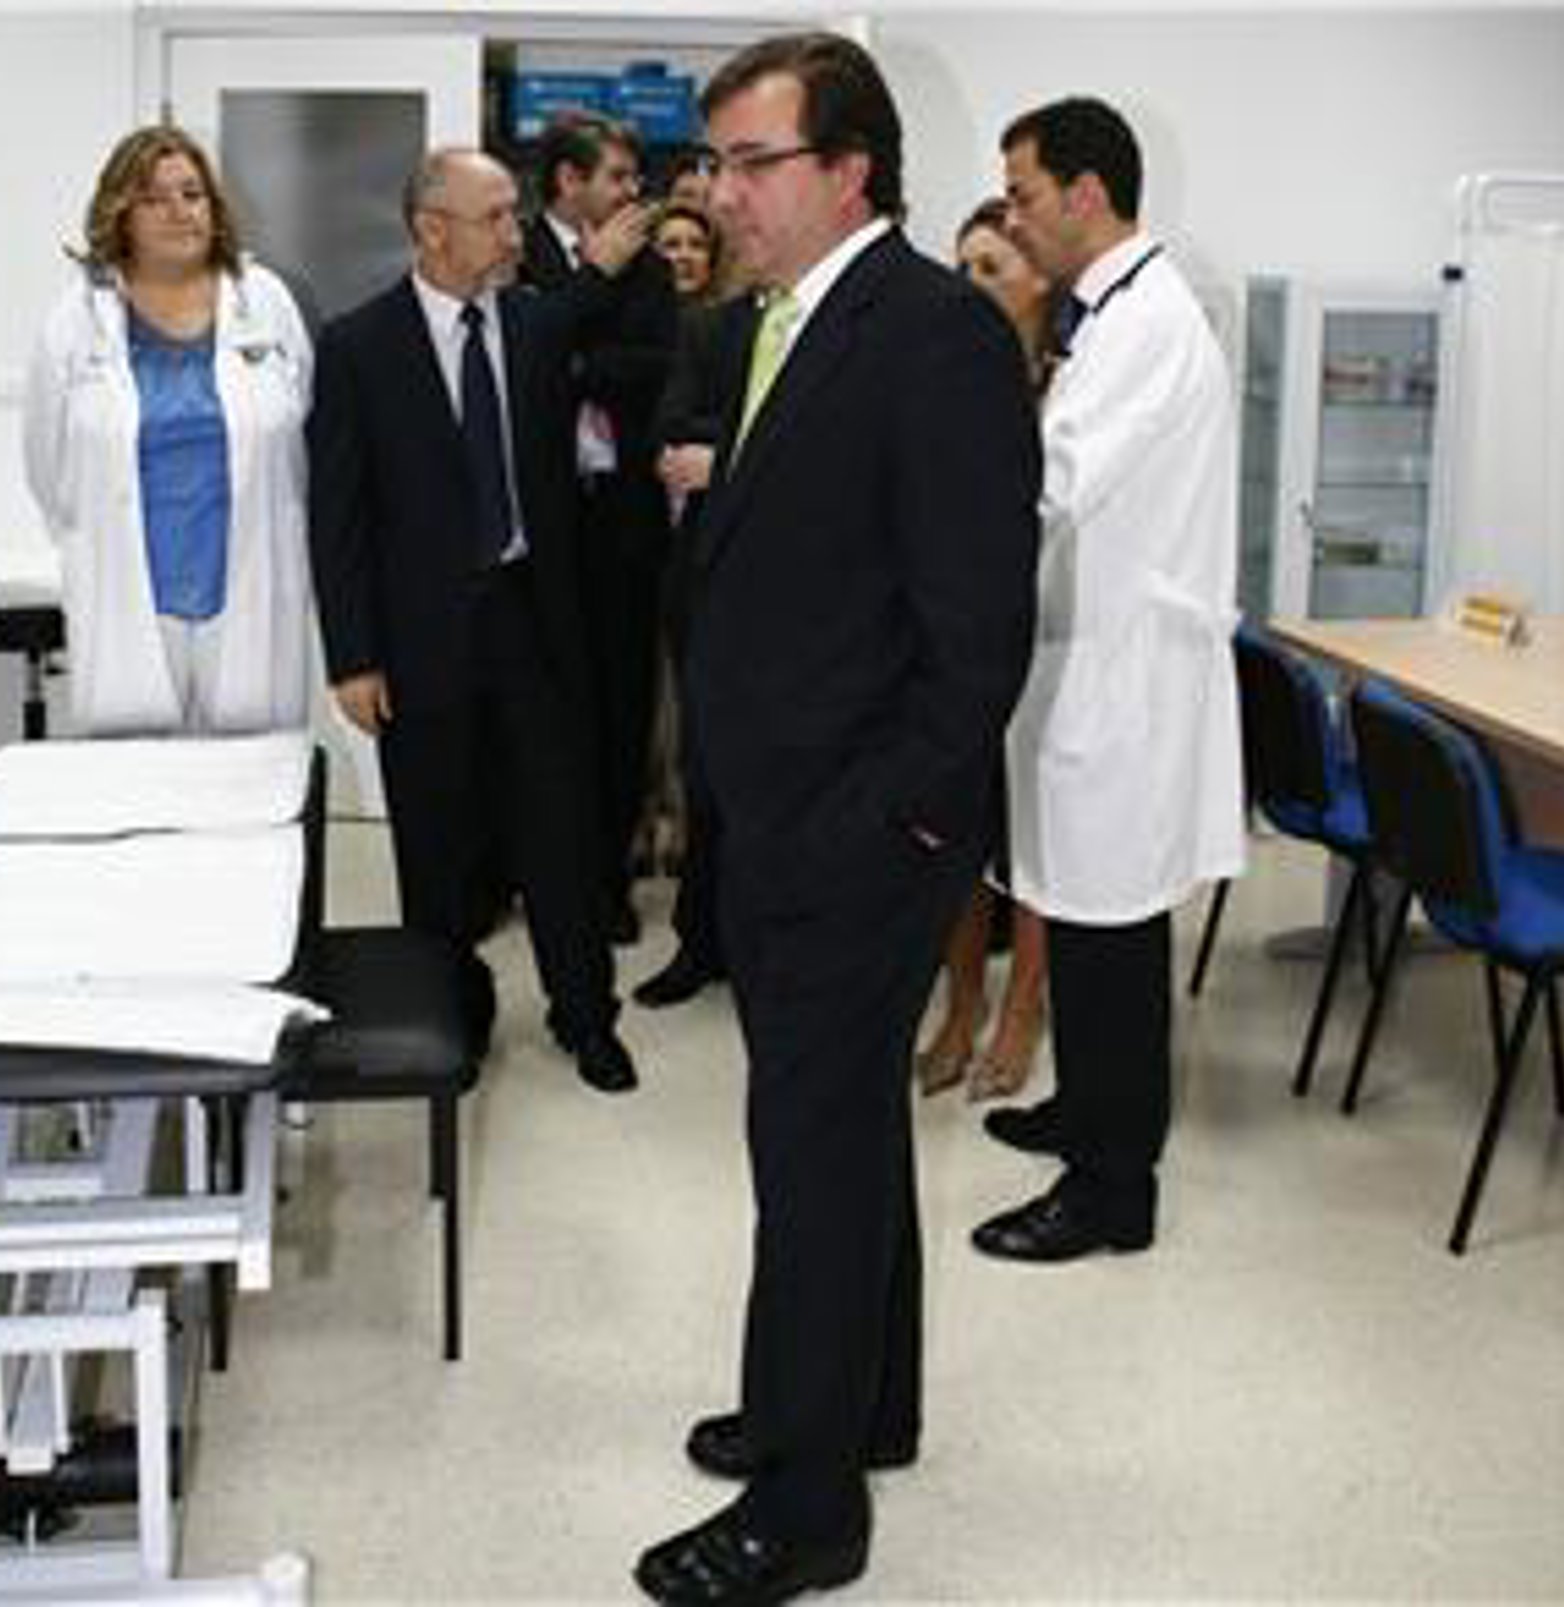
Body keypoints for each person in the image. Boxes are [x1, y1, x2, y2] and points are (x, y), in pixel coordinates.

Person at [634, 35, 1039, 1606]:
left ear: (851, 169)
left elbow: (975, 635)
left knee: (807, 1147)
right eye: (716, 162)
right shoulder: (775, 323)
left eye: (753, 162)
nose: (721, 192)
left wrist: (887, 823)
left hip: (859, 827)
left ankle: (805, 1509)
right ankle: (863, 1403)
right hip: (784, 804)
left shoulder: (933, 334)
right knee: (846, 1124)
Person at [307, 147, 651, 1095]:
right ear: (431, 229)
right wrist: (352, 656)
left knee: (561, 832)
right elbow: (338, 517)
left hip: (535, 625)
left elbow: (601, 315)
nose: (513, 233)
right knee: (437, 842)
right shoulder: (358, 347)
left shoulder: (536, 325)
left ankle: (586, 1015)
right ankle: (447, 1015)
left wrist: (608, 263)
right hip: (420, 637)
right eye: (495, 217)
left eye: (513, 213)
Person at [972, 96, 1245, 1264]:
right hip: (1091, 664)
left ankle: (1112, 1189)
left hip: (1124, 681)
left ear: (1086, 193)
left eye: (1023, 195)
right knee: (1082, 918)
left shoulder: (1147, 322)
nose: (1014, 220)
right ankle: (1088, 1111)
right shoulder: (1116, 312)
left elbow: (1053, 481)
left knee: (1111, 935)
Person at [23, 125, 312, 735]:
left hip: (250, 577)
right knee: (134, 768)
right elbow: (48, 467)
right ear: (120, 214)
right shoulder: (76, 319)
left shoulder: (265, 301)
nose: (180, 211)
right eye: (154, 198)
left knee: (250, 763)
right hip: (127, 584)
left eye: (192, 194)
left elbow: (302, 434)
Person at [520, 111, 679, 946]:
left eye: (633, 176)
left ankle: (607, 880)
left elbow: (658, 365)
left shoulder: (650, 266)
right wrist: (589, 287)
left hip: (623, 522)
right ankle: (543, 875)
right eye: (615, 176)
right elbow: (520, 364)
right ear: (568, 181)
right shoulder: (515, 254)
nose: (632, 192)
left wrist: (576, 361)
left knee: (622, 709)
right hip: (538, 527)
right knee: (547, 714)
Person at [915, 197, 1056, 1099]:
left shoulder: (1077, 384)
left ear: (1040, 281)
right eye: (962, 268)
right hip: (960, 640)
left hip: (1054, 638)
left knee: (1039, 838)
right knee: (959, 834)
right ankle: (962, 1001)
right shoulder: (946, 377)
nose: (970, 286)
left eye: (992, 269)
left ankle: (1023, 1010)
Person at [633, 202, 732, 1010]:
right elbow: (670, 431)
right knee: (705, 769)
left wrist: (726, 453)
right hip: (706, 584)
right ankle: (700, 942)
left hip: (810, 594)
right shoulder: (708, 331)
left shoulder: (842, 334)